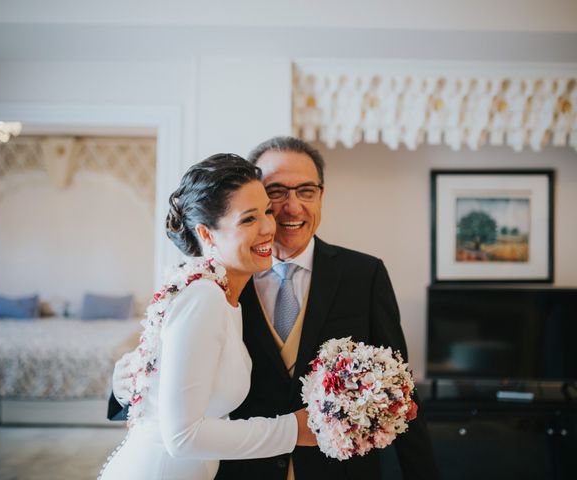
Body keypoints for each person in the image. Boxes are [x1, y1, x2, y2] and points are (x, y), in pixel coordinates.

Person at [110, 137, 439, 479]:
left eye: (306, 191)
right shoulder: (207, 284)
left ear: (322, 196)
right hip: (240, 472)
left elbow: (400, 388)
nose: (290, 208)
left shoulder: (364, 275)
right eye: (276, 193)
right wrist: (122, 387)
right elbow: (164, 381)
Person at [100, 153, 316, 480]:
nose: (268, 227)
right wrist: (291, 430)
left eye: (266, 212)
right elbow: (181, 436)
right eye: (248, 219)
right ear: (207, 234)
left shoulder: (223, 297)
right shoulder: (204, 298)